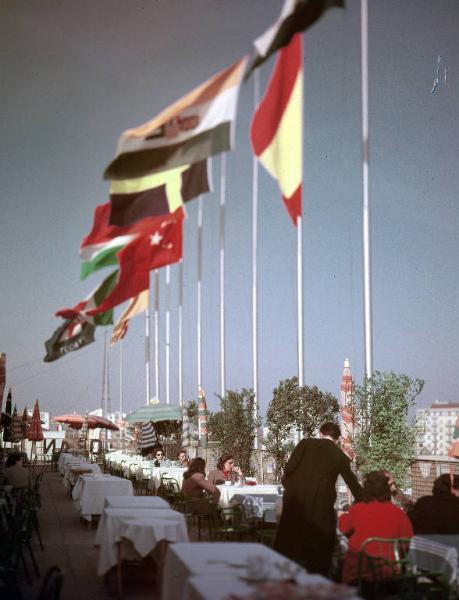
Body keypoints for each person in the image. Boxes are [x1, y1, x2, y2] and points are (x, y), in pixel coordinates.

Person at [274, 422, 363, 576]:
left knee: (288, 542)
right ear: (337, 439)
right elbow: (354, 485)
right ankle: (316, 581)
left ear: (320, 433)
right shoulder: (339, 456)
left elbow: (288, 469)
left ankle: (279, 578)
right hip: (320, 508)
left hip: (294, 502)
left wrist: (290, 487)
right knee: (319, 550)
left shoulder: (305, 444)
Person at [339, 470, 413, 584]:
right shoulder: (399, 514)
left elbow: (342, 528)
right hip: (389, 577)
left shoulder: (357, 510)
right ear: (387, 490)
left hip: (357, 576)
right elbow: (407, 544)